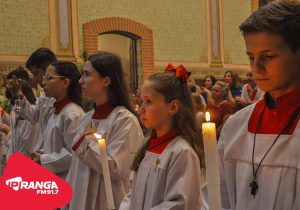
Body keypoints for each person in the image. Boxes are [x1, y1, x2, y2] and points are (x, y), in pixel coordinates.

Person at [219, 1, 300, 209]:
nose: (256, 68)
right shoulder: (236, 127)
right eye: (251, 57)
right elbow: (219, 197)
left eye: (268, 56)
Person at [66, 52, 145, 210]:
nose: (80, 81)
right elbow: (75, 169)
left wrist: (87, 140)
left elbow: (115, 168)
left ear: (107, 80)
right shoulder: (86, 119)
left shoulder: (125, 120)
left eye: (87, 75)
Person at [119, 67, 205, 210]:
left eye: (149, 102)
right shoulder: (147, 144)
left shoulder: (181, 152)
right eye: (141, 101)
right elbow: (132, 193)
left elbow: (179, 204)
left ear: (173, 107)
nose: (141, 109)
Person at [12, 61, 84, 178]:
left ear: (65, 82)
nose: (43, 82)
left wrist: (44, 158)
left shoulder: (73, 114)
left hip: (65, 178)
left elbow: (74, 154)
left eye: (49, 78)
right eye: (45, 77)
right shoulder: (56, 109)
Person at [4, 68, 38, 160]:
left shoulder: (32, 117)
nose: (12, 104)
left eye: (13, 100)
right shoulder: (18, 110)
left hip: (23, 165)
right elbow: (15, 141)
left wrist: (7, 133)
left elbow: (27, 150)